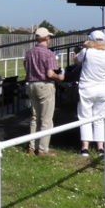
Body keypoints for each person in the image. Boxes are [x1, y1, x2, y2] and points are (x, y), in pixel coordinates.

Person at [24, 27, 65, 156]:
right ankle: (42, 149)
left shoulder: (29, 52)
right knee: (46, 119)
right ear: (47, 38)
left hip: (31, 84)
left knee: (35, 118)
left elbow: (25, 66)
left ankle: (31, 146)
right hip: (45, 85)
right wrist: (59, 77)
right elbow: (50, 73)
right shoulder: (48, 53)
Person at [76, 30, 105, 157]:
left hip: (87, 87)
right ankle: (100, 147)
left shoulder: (86, 52)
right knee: (100, 117)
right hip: (103, 88)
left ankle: (85, 148)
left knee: (85, 117)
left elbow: (76, 60)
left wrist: (84, 46)